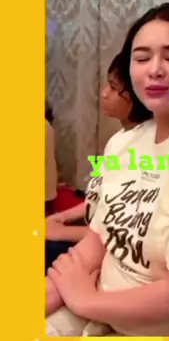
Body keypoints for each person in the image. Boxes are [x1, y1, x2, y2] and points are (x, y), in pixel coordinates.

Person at [46, 3, 169, 336]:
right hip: (96, 306)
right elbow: (96, 243)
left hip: (150, 334)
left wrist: (86, 301)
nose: (155, 70)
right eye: (141, 58)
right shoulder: (124, 142)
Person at [45, 54, 151, 272]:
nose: (104, 93)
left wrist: (61, 232)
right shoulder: (120, 139)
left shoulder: (146, 149)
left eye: (113, 87)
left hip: (111, 247)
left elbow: (124, 232)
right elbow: (99, 198)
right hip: (93, 228)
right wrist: (61, 217)